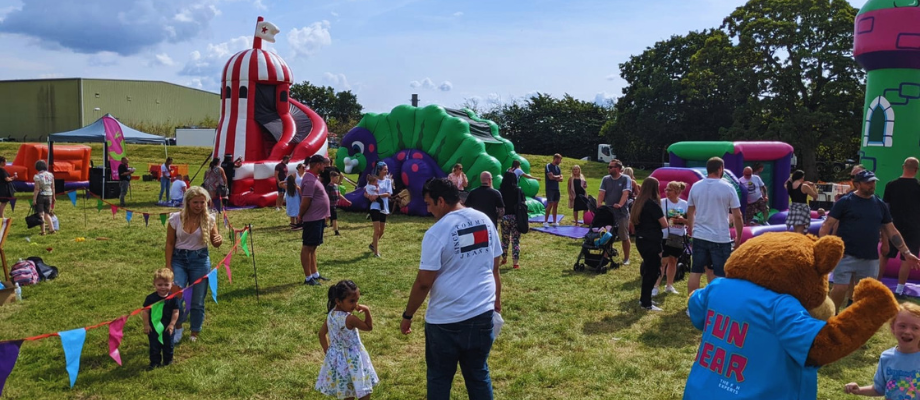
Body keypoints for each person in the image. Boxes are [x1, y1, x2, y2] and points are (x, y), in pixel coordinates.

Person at [400, 178, 502, 399]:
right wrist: (497, 303)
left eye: (429, 204)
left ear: (441, 200)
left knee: (439, 377)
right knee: (478, 373)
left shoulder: (438, 232)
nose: (428, 210)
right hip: (482, 312)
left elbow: (424, 282)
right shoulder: (484, 220)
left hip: (446, 320)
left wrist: (408, 315)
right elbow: (495, 268)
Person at [819, 170, 920, 313]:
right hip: (846, 255)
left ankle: (854, 319)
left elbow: (892, 231)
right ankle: (830, 316)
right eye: (868, 182)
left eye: (873, 182)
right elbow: (827, 225)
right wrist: (825, 245)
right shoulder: (846, 202)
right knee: (840, 288)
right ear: (857, 184)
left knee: (864, 294)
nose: (872, 185)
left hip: (870, 258)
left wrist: (906, 252)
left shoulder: (879, 205)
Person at [166, 187, 223, 344]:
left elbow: (215, 242)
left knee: (198, 299)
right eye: (195, 202)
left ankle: (194, 331)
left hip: (200, 260)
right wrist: (168, 265)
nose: (199, 206)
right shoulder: (175, 219)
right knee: (176, 293)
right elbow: (170, 243)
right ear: (188, 202)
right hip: (179, 259)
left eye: (202, 203)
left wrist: (219, 240)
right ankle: (177, 327)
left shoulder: (209, 219)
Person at [686, 157, 744, 295]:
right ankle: (716, 304)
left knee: (696, 271)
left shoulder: (696, 186)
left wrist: (692, 229)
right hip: (720, 237)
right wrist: (739, 237)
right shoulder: (728, 187)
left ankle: (691, 304)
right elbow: (737, 215)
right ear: (720, 169)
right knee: (720, 274)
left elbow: (690, 212)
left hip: (700, 235)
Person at [316, 280, 379, 399]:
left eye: (357, 300)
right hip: (354, 359)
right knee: (363, 390)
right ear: (338, 301)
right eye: (352, 301)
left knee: (346, 390)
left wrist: (327, 351)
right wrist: (367, 310)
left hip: (339, 362)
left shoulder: (331, 315)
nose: (355, 304)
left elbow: (321, 334)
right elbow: (369, 327)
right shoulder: (350, 319)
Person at [844, 302, 920, 398]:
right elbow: (879, 389)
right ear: (893, 327)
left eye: (915, 328)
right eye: (902, 326)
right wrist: (859, 390)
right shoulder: (886, 357)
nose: (907, 331)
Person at [878, 157, 920, 297]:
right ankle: (900, 290)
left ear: (903, 167)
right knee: (907, 258)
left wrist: (883, 230)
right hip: (914, 227)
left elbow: (886, 207)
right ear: (916, 170)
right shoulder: (918, 187)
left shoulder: (891, 185)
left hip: (892, 225)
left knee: (885, 254)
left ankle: (876, 283)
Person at [630, 177, 668, 311]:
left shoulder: (638, 203)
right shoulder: (652, 204)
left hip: (641, 240)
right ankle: (646, 302)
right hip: (652, 240)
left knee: (648, 270)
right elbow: (664, 224)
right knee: (653, 272)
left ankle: (644, 299)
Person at [299, 155, 332, 286]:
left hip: (318, 218)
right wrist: (300, 215)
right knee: (307, 247)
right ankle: (308, 277)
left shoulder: (314, 178)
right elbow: (306, 200)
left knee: (313, 247)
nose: (325, 167)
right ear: (317, 165)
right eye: (323, 164)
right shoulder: (310, 180)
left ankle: (315, 273)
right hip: (312, 219)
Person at [142, 268, 179, 370]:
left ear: (172, 284)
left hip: (168, 327)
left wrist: (172, 324)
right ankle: (155, 363)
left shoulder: (173, 298)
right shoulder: (150, 298)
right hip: (153, 327)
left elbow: (175, 311)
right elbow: (145, 311)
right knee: (154, 346)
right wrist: (146, 325)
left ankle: (168, 362)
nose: (163, 287)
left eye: (166, 285)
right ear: (154, 284)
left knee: (168, 345)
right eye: (160, 285)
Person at [655, 181, 688, 296]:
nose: (666, 192)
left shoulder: (685, 204)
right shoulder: (662, 203)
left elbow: (690, 221)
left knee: (673, 260)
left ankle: (669, 285)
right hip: (664, 235)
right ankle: (655, 286)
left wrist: (682, 220)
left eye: (669, 190)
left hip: (677, 236)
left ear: (677, 192)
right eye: (666, 190)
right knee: (662, 261)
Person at [597, 159, 633, 265]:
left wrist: (620, 204)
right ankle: (606, 255)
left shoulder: (626, 179)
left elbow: (625, 193)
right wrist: (599, 204)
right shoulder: (606, 179)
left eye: (610, 167)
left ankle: (626, 258)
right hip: (609, 212)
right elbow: (601, 193)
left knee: (624, 236)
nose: (608, 168)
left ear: (617, 168)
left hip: (621, 213)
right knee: (607, 235)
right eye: (608, 167)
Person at [365, 162, 392, 258]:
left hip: (383, 207)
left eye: (387, 169)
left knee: (382, 231)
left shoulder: (388, 181)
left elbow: (388, 194)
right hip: (374, 207)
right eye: (384, 169)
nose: (386, 171)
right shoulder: (373, 180)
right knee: (377, 230)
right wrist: (368, 196)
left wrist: (378, 195)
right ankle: (376, 252)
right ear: (379, 170)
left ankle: (372, 245)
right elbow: (366, 191)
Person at [499, 170, 524, 269]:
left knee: (504, 239)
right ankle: (515, 262)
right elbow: (523, 203)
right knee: (515, 240)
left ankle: (504, 258)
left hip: (505, 217)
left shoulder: (500, 191)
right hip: (515, 217)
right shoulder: (518, 190)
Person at [32, 160, 55, 236]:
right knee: (47, 213)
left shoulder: (37, 176)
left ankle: (43, 231)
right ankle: (52, 229)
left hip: (41, 196)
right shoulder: (50, 175)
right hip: (49, 195)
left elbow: (37, 189)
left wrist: (34, 199)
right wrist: (53, 197)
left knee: (41, 214)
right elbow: (53, 187)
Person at [325, 171, 349, 236]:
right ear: (332, 178)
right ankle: (336, 231)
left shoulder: (336, 186)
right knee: (334, 218)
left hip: (335, 204)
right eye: (336, 178)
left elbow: (339, 194)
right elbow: (326, 196)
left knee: (329, 217)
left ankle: (322, 224)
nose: (338, 179)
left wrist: (346, 201)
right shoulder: (329, 186)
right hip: (330, 205)